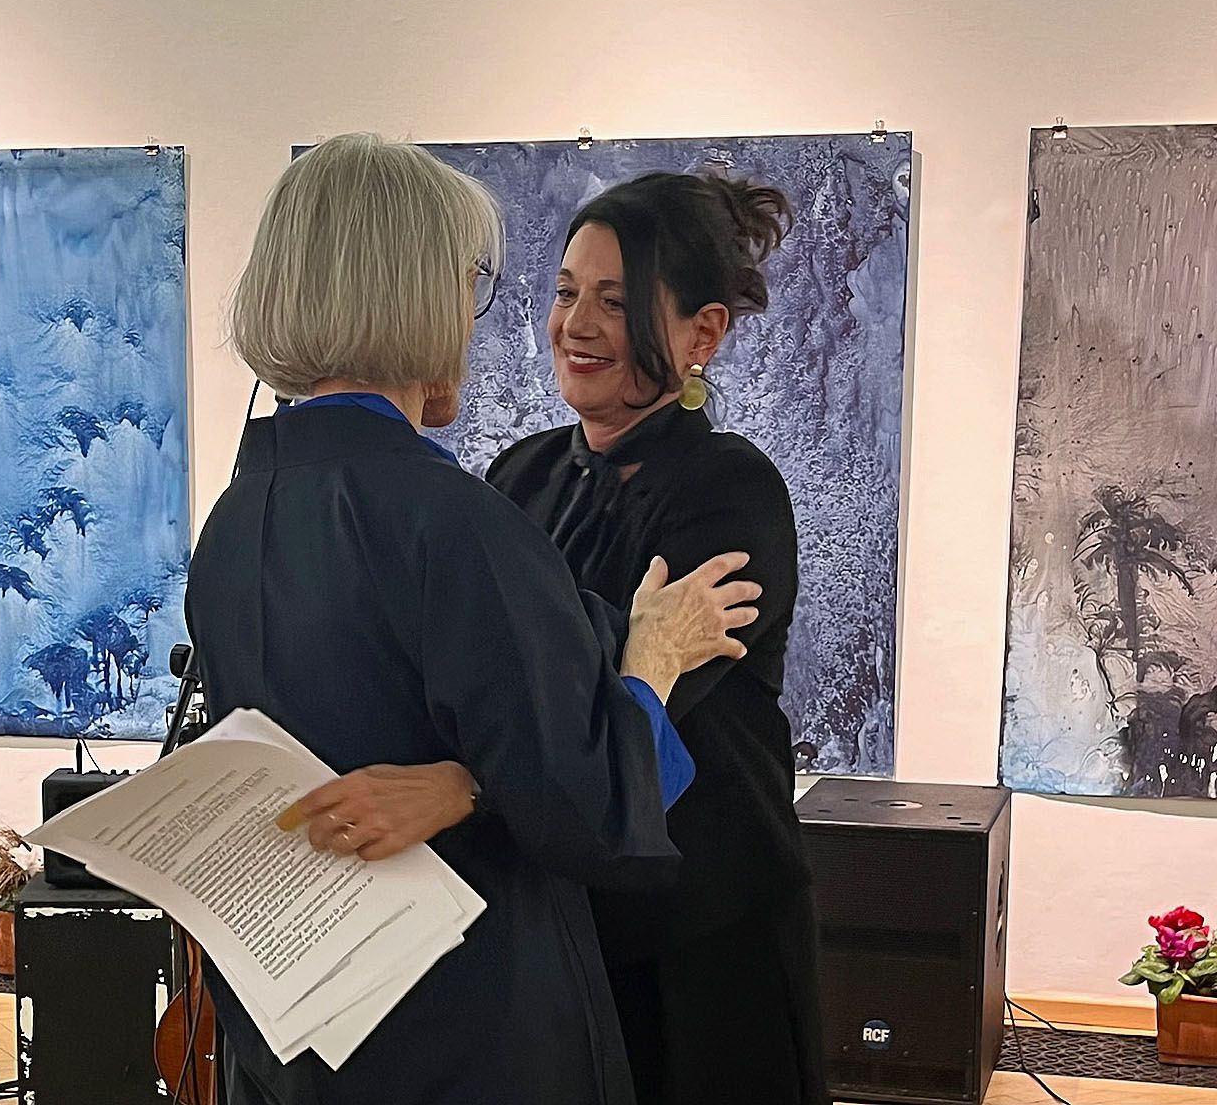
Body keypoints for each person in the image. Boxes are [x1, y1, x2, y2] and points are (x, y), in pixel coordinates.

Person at [182, 133, 764, 1105]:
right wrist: (652, 663)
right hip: (463, 1023)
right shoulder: (455, 524)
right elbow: (590, 809)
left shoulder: (236, 520)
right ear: (418, 292)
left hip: (306, 1019)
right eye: (471, 284)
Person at [486, 171, 829, 1105]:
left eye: (617, 301)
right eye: (567, 292)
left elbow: (595, 706)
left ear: (701, 335)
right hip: (565, 924)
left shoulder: (730, 490)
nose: (577, 325)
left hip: (704, 937)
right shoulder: (519, 477)